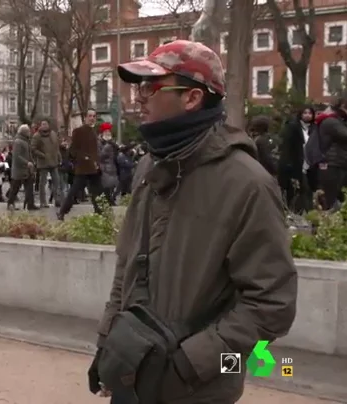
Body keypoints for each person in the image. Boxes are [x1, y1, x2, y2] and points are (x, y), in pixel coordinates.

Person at [87, 40, 297, 404]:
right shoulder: (149, 167)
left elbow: (272, 305)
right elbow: (127, 269)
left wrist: (188, 364)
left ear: (192, 98)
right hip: (134, 370)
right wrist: (108, 345)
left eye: (151, 87)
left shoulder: (247, 184)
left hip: (200, 389)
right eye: (139, 86)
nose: (139, 98)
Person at [57, 109, 103, 220]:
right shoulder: (79, 131)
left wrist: (97, 162)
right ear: (85, 118)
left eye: (94, 116)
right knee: (74, 190)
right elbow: (73, 150)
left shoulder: (93, 132)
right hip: (83, 167)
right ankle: (62, 211)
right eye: (90, 116)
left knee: (96, 191)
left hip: (94, 167)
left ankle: (100, 213)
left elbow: (94, 150)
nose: (92, 118)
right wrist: (84, 158)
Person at [277, 106, 317, 212]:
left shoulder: (315, 128)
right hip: (297, 163)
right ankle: (302, 211)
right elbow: (288, 146)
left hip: (311, 163)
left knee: (309, 189)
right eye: (305, 113)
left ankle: (307, 211)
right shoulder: (293, 127)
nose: (307, 115)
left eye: (310, 113)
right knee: (301, 189)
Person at [314, 94, 347, 210]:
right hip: (332, 165)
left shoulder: (337, 120)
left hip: (337, 164)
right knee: (331, 200)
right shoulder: (331, 121)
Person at [31, 119, 63, 208]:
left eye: (45, 124)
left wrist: (59, 157)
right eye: (42, 124)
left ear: (48, 125)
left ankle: (58, 200)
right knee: (42, 183)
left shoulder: (53, 134)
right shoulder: (37, 136)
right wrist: (42, 155)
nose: (44, 125)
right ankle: (43, 201)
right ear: (40, 125)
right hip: (43, 162)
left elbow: (56, 147)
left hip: (54, 161)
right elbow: (33, 149)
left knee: (57, 181)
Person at [6, 124, 38, 210]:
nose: (30, 132)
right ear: (24, 132)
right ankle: (10, 203)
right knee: (15, 188)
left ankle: (30, 204)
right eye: (28, 131)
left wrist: (32, 162)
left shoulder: (26, 141)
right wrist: (27, 162)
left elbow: (28, 154)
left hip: (27, 170)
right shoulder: (18, 141)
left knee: (29, 188)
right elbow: (17, 156)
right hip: (19, 170)